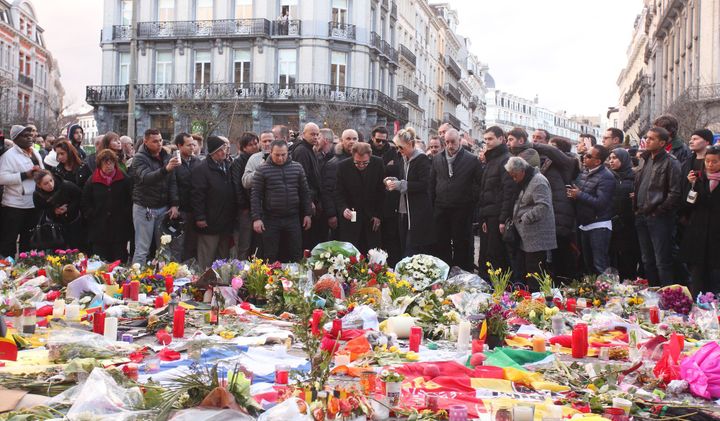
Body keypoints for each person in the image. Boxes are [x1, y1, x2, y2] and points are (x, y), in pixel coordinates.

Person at [633, 126, 681, 286]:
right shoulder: (644, 159)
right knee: (647, 260)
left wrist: (658, 211)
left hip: (659, 218)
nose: (647, 141)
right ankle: (654, 295)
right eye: (647, 137)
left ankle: (667, 296)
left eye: (651, 138)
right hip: (641, 215)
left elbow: (675, 193)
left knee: (662, 261)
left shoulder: (671, 162)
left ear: (662, 143)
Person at [429, 128, 482, 270]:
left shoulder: (471, 159)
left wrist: (470, 198)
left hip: (462, 208)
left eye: (453, 142)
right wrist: (433, 205)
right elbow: (432, 183)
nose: (450, 145)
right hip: (441, 208)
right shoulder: (437, 159)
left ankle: (463, 271)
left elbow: (479, 183)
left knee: (462, 243)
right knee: (441, 242)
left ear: (459, 141)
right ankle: (443, 271)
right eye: (447, 142)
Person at [251, 140, 312, 262]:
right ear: (271, 153)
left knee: (295, 252)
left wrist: (308, 214)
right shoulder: (262, 170)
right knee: (270, 254)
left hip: (293, 217)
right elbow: (256, 195)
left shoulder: (297, 167)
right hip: (271, 218)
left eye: (283, 154)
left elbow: (305, 192)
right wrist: (256, 218)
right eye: (277, 155)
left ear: (288, 153)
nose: (280, 158)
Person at [130, 128, 180, 265]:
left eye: (160, 140)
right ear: (145, 142)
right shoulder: (139, 158)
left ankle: (165, 279)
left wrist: (175, 204)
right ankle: (135, 281)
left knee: (164, 247)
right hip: (144, 207)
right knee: (142, 249)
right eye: (155, 141)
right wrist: (165, 169)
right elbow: (146, 178)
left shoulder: (166, 156)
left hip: (163, 208)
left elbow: (172, 182)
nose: (159, 144)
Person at [505, 156, 556, 289]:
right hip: (527, 235)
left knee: (535, 271)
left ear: (522, 170)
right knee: (526, 269)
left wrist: (525, 218)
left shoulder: (538, 181)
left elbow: (544, 206)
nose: (514, 179)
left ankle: (536, 299)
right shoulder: (527, 180)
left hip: (537, 236)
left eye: (515, 176)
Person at [533, 137, 580, 281]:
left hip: (561, 215)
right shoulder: (548, 164)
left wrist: (531, 144)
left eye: (553, 147)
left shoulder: (568, 162)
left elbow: (551, 151)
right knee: (551, 255)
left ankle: (564, 281)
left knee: (562, 252)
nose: (548, 149)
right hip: (551, 212)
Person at [567, 145, 616, 274]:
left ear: (597, 161)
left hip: (599, 225)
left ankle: (607, 290)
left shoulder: (607, 176)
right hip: (584, 223)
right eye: (585, 154)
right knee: (588, 264)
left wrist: (579, 195)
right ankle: (593, 291)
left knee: (600, 264)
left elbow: (601, 203)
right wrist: (573, 194)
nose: (584, 157)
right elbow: (580, 190)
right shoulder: (584, 171)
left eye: (588, 156)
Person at [386, 128, 434, 257]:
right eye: (397, 147)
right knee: (403, 246)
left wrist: (400, 184)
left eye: (401, 147)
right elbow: (404, 179)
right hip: (403, 209)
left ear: (410, 144)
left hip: (416, 211)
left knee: (412, 248)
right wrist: (393, 181)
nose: (399, 151)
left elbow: (424, 184)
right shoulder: (403, 158)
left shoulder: (421, 159)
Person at [191, 137, 237, 269]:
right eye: (220, 150)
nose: (224, 152)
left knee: (223, 258)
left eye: (225, 149)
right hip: (209, 221)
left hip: (226, 220)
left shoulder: (228, 165)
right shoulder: (202, 169)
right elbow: (197, 196)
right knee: (207, 256)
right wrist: (200, 217)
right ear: (212, 152)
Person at [680, 146, 720, 294]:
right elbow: (687, 205)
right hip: (698, 234)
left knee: (715, 275)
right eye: (707, 161)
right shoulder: (699, 179)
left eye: (715, 161)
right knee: (697, 275)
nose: (710, 165)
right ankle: (697, 307)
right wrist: (691, 185)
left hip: (716, 235)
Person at [0, 125, 44, 256]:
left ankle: (26, 266)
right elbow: (2, 178)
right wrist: (25, 175)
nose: (30, 138)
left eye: (31, 135)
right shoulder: (8, 156)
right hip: (14, 205)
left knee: (28, 240)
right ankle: (7, 269)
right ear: (15, 139)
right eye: (25, 136)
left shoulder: (35, 152)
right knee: (9, 240)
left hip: (33, 203)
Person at [82, 150, 133, 262]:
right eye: (105, 163)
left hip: (119, 227)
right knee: (99, 261)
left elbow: (129, 199)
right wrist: (92, 215)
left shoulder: (123, 178)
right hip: (99, 227)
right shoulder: (92, 180)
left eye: (111, 162)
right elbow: (86, 201)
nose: (108, 166)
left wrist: (125, 214)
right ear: (100, 165)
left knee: (119, 259)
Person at [477, 126, 517, 272]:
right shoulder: (491, 159)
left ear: (501, 139)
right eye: (485, 139)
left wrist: (502, 219)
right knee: (487, 254)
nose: (487, 142)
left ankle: (497, 287)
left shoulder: (506, 159)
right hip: (488, 214)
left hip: (497, 215)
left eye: (490, 139)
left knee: (496, 255)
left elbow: (508, 192)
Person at [334, 142, 385, 253]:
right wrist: (343, 209)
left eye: (365, 163)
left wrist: (378, 215)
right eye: (357, 163)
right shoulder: (342, 166)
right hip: (351, 217)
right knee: (350, 253)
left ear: (370, 157)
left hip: (371, 217)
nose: (361, 165)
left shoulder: (378, 163)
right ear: (352, 156)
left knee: (372, 253)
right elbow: (338, 193)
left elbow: (381, 192)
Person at [371, 126, 402, 265]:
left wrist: (384, 168)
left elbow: (396, 171)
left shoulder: (392, 151)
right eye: (378, 140)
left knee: (390, 237)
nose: (381, 143)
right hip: (373, 200)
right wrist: (386, 166)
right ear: (373, 138)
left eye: (384, 141)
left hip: (389, 202)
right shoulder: (368, 149)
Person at [607, 148, 640, 280]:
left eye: (615, 158)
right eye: (610, 158)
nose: (611, 161)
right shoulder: (609, 176)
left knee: (628, 257)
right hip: (612, 222)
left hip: (629, 224)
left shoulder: (634, 177)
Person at [32, 169, 84, 250]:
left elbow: (80, 197)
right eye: (45, 183)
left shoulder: (65, 185)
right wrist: (53, 211)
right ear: (39, 185)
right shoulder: (37, 195)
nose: (50, 185)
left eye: (51, 180)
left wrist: (68, 209)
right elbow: (39, 211)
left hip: (73, 222)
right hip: (53, 228)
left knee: (76, 249)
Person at [291, 123, 323, 249]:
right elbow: (302, 179)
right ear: (304, 134)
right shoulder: (302, 151)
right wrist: (308, 201)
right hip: (306, 201)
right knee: (306, 239)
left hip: (311, 198)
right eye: (312, 134)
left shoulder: (309, 149)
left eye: (317, 134)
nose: (315, 137)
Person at [229, 132, 259, 260]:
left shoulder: (260, 158)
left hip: (258, 207)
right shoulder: (239, 162)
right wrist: (244, 205)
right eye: (250, 145)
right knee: (244, 242)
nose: (254, 146)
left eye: (256, 143)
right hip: (245, 208)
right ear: (243, 147)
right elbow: (237, 186)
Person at [322, 129, 357, 237]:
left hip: (355, 213)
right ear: (342, 141)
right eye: (348, 139)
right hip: (339, 213)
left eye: (354, 139)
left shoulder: (360, 161)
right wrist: (331, 215)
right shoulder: (334, 163)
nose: (352, 141)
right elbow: (328, 191)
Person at [173, 132, 200, 262]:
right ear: (179, 146)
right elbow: (172, 186)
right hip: (180, 210)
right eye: (189, 145)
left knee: (192, 243)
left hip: (194, 209)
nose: (192, 148)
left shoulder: (197, 161)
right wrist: (175, 204)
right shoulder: (173, 162)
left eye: (193, 145)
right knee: (178, 244)